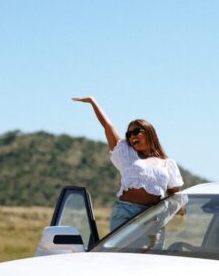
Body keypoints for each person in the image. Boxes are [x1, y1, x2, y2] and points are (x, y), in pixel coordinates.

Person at [72, 96, 184, 230]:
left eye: (136, 132)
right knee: (119, 245)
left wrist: (179, 210)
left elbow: (174, 196)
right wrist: (92, 101)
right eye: (128, 134)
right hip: (126, 213)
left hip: (153, 217)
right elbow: (108, 126)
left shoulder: (168, 164)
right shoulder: (126, 153)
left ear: (150, 133)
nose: (132, 136)